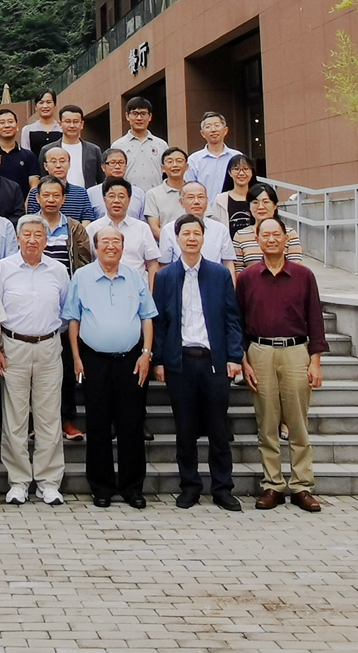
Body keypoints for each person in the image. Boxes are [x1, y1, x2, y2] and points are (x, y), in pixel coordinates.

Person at [152, 213, 245, 511]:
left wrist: (234, 356)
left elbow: (232, 319)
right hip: (180, 362)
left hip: (213, 362)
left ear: (204, 238)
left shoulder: (219, 274)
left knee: (218, 429)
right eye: (186, 234)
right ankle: (189, 487)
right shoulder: (165, 277)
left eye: (197, 233)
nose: (191, 238)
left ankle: (222, 488)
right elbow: (160, 323)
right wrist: (160, 360)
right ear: (176, 238)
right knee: (185, 429)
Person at [237, 216, 326, 513]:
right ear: (257, 240)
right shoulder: (248, 277)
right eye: (265, 235)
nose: (271, 239)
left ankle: (302, 486)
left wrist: (315, 361)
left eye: (277, 234)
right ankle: (272, 485)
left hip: (296, 351)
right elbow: (238, 321)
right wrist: (243, 359)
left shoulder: (303, 276)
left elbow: (315, 319)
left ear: (286, 239)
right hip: (260, 352)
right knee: (267, 422)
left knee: (298, 422)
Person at [64, 227, 157, 508]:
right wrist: (77, 357)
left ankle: (132, 488)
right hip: (94, 360)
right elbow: (73, 320)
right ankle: (101, 487)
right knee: (98, 423)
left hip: (131, 360)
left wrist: (146, 353)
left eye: (116, 241)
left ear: (123, 246)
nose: (111, 246)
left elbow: (147, 317)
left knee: (131, 424)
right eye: (105, 241)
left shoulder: (135, 277)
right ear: (95, 247)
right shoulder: (82, 277)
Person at [0, 216, 70, 505]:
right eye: (27, 234)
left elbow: (65, 310)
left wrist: (49, 334)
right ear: (18, 239)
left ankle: (49, 481)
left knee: (49, 417)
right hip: (13, 347)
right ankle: (19, 481)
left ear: (46, 240)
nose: (33, 240)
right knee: (16, 418)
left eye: (39, 235)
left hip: (49, 346)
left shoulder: (58, 270)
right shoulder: (4, 268)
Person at [29, 175, 91, 441]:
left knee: (65, 368)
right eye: (46, 195)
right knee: (34, 372)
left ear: (64, 199)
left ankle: (66, 420)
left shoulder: (74, 228)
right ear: (38, 198)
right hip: (34, 305)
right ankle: (35, 422)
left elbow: (84, 265)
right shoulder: (29, 226)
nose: (51, 200)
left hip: (65, 306)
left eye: (56, 195)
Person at [87, 177, 161, 287]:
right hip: (102, 287)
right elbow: (87, 263)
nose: (116, 201)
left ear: (129, 200)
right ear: (104, 200)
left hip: (136, 288)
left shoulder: (142, 228)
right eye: (112, 196)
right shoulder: (92, 228)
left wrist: (151, 293)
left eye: (121, 196)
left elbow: (152, 264)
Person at [155, 182, 237, 272]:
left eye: (201, 197)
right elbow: (164, 265)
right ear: (181, 202)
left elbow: (228, 263)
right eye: (191, 197)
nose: (196, 202)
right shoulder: (168, 229)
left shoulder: (220, 229)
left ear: (207, 201)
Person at [232, 184, 306, 271]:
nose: (260, 207)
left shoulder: (289, 233)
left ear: (275, 205)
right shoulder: (240, 235)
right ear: (249, 207)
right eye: (255, 202)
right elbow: (238, 269)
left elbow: (296, 267)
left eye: (266, 202)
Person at [110, 95, 168, 193]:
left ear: (150, 117)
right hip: (128, 197)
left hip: (156, 197)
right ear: (127, 116)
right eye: (135, 113)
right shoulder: (118, 146)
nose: (139, 118)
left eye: (143, 114)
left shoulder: (161, 145)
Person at [25, 148, 100, 222]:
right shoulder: (36, 192)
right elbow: (32, 220)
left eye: (62, 161)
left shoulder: (81, 193)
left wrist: (76, 230)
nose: (58, 165)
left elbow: (87, 220)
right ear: (45, 166)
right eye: (53, 161)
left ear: (69, 164)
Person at [45, 104, 103, 189]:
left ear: (82, 124)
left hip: (86, 196)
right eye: (67, 121)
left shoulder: (94, 150)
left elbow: (101, 179)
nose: (72, 125)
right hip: (56, 195)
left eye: (76, 122)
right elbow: (43, 178)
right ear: (60, 124)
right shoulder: (48, 150)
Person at [186, 111, 241, 200]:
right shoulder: (194, 160)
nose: (213, 130)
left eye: (217, 125)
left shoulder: (237, 157)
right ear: (203, 133)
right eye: (208, 127)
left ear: (225, 130)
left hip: (232, 207)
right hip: (205, 208)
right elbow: (190, 189)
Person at [143, 147, 190, 241]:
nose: (175, 165)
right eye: (170, 161)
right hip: (166, 246)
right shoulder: (153, 194)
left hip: (194, 244)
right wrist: (174, 243)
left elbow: (205, 222)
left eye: (179, 161)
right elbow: (155, 228)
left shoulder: (197, 191)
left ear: (186, 166)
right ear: (163, 168)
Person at [87, 148, 146, 222]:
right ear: (103, 167)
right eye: (112, 162)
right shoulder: (91, 193)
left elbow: (143, 222)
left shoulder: (139, 193)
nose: (117, 166)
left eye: (121, 162)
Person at [0, 107, 40, 193]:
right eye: (2, 122)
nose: (7, 125)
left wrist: (28, 200)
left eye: (10, 122)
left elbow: (34, 185)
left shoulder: (29, 156)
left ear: (17, 126)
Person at [218, 155, 258, 238]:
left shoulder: (259, 197)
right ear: (229, 173)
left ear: (252, 172)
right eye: (236, 169)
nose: (241, 173)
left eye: (246, 169)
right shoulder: (221, 200)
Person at [20, 89, 63, 158]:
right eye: (41, 102)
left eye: (48, 102)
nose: (45, 106)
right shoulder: (27, 130)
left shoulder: (62, 129)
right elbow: (25, 156)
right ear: (36, 107)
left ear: (55, 105)